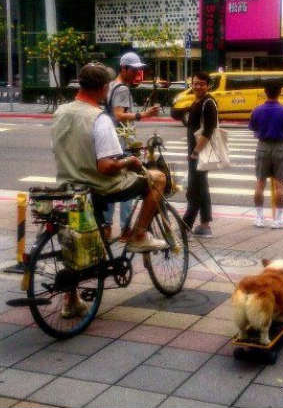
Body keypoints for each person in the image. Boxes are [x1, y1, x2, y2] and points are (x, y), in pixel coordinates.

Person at [52, 63, 166, 317]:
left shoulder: (60, 112)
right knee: (157, 178)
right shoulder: (99, 119)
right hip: (100, 184)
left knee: (76, 239)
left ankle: (72, 300)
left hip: (69, 186)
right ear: (104, 89)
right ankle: (138, 234)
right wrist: (130, 161)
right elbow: (106, 166)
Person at [104, 52, 159, 242]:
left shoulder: (111, 85)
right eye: (134, 69)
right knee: (130, 185)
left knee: (110, 186)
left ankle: (106, 227)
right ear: (124, 68)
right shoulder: (122, 89)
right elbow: (119, 115)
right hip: (121, 143)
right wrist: (143, 115)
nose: (137, 72)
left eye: (138, 69)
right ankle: (127, 229)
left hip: (110, 143)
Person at [249, 79, 283, 229]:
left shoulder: (257, 110)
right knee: (280, 184)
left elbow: (255, 130)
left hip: (262, 146)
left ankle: (259, 218)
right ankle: (278, 220)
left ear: (265, 92)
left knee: (260, 182)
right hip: (281, 146)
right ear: (280, 92)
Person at [182, 72, 218, 238]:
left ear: (208, 85)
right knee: (201, 187)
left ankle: (186, 224)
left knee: (195, 188)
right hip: (195, 151)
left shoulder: (208, 102)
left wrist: (196, 151)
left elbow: (209, 130)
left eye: (201, 84)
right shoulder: (197, 101)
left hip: (199, 152)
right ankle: (205, 225)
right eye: (195, 83)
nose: (197, 86)